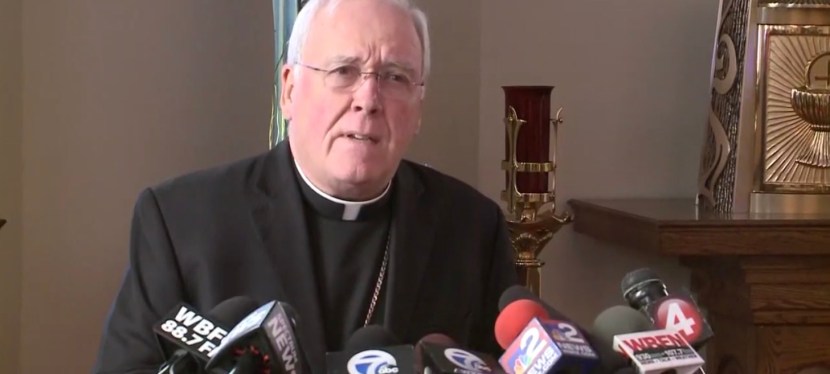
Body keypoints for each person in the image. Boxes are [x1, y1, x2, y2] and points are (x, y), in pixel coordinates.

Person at [93, 0, 518, 372]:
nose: (368, 99)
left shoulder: (472, 228)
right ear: (290, 90)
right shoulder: (180, 220)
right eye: (343, 71)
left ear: (418, 107)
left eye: (395, 77)